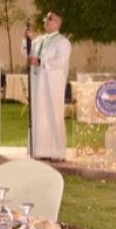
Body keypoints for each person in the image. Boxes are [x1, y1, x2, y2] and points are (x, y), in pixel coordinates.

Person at [24, 11, 72, 160]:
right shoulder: (39, 40)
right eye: (46, 19)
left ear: (58, 23)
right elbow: (27, 53)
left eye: (50, 19)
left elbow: (61, 61)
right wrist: (27, 39)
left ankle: (56, 152)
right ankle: (38, 151)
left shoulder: (63, 42)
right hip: (38, 83)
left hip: (52, 85)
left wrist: (41, 62)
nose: (47, 22)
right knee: (38, 115)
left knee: (53, 114)